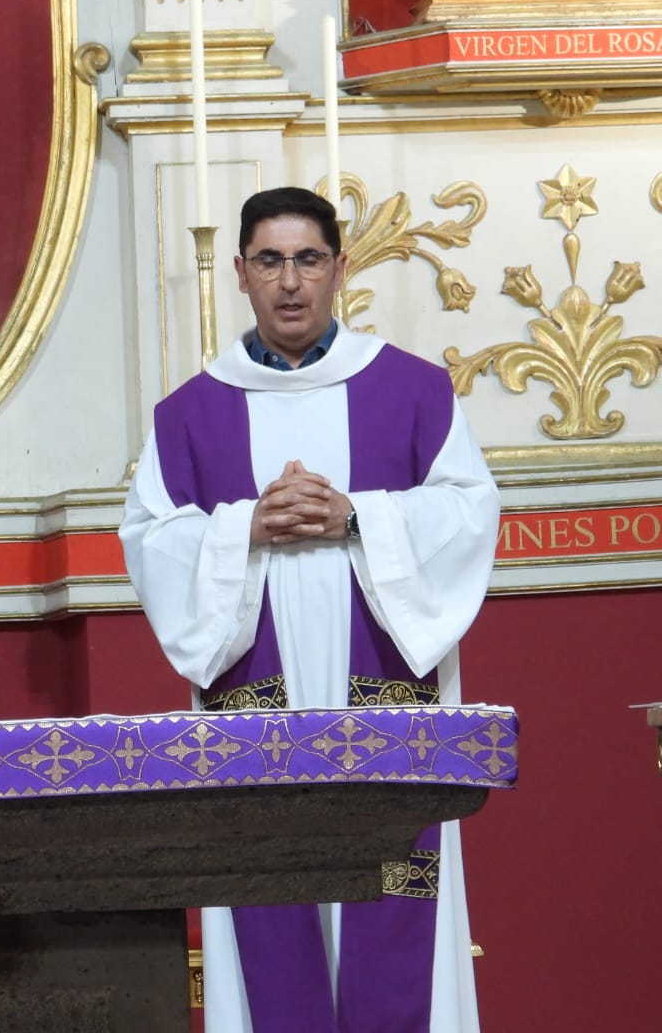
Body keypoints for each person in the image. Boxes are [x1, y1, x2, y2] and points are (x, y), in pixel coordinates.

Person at [118, 187, 499, 1033]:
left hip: (382, 676)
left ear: (339, 268)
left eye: (307, 259)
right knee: (264, 884)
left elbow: (469, 510)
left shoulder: (411, 389)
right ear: (241, 276)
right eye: (269, 261)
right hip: (257, 681)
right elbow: (149, 536)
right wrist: (243, 527)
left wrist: (359, 515)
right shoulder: (190, 411)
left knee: (398, 883)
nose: (289, 282)